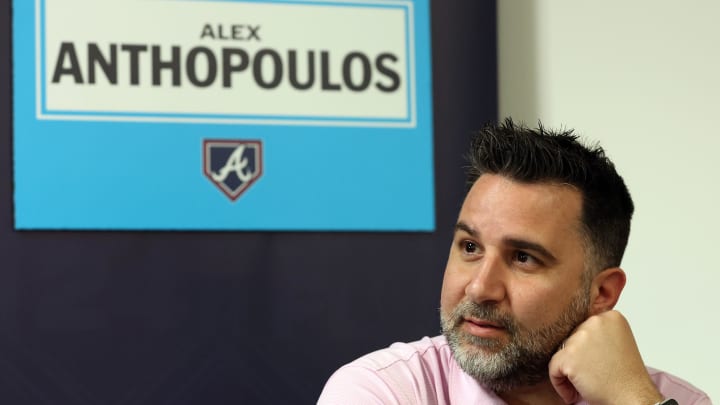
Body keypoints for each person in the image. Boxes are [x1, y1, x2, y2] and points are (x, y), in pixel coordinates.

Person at [317, 119, 711, 405]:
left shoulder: (667, 400)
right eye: (470, 247)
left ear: (603, 292)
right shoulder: (383, 391)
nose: (479, 288)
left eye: (523, 258)